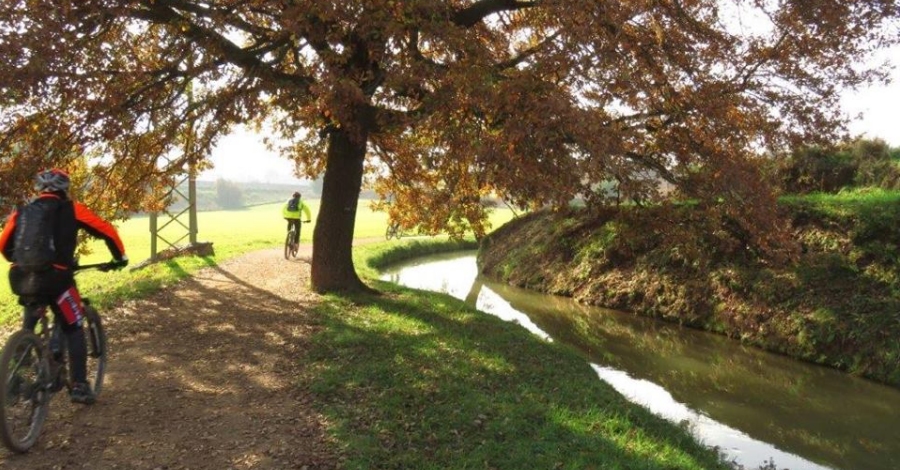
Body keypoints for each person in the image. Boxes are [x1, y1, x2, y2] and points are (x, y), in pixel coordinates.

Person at [0, 168, 128, 405]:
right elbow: (106, 230)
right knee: (73, 325)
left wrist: (25, 262)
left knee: (29, 325)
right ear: (64, 189)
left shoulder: (23, 211)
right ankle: (79, 385)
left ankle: (18, 377)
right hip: (58, 280)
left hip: (21, 277)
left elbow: (4, 244)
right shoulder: (72, 208)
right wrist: (120, 257)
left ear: (40, 189)